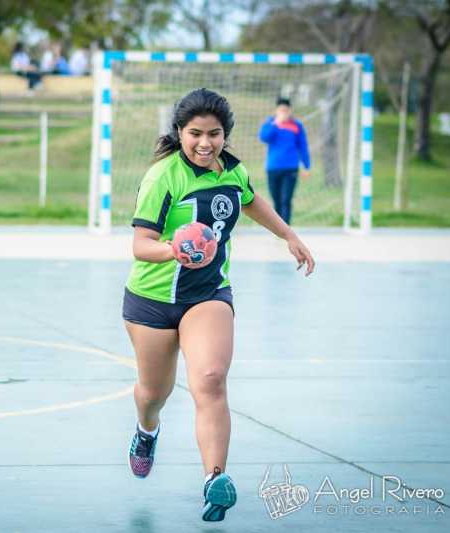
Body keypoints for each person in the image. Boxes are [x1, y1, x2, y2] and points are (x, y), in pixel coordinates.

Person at [122, 88, 314, 522]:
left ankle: (215, 479)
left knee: (210, 379)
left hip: (208, 294)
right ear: (179, 132)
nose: (205, 143)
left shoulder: (232, 171)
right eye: (195, 134)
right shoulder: (162, 177)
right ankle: (146, 430)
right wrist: (174, 249)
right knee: (154, 393)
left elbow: (251, 201)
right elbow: (140, 244)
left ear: (225, 135)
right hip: (152, 301)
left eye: (214, 134)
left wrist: (288, 235)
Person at [258, 97, 311, 225]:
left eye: (286, 110)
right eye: (281, 110)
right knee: (276, 199)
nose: (284, 113)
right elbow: (264, 137)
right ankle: (278, 227)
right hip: (273, 168)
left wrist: (306, 166)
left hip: (291, 168)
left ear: (290, 110)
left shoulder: (297, 125)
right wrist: (277, 123)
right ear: (276, 110)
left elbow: (303, 146)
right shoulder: (271, 123)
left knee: (286, 199)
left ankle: (286, 228)